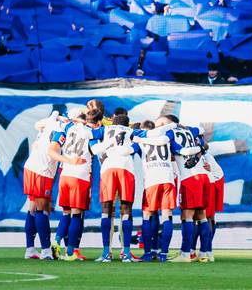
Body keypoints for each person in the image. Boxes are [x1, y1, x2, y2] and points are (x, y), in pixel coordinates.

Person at [48, 100, 105, 260]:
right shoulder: (92, 132)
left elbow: (53, 147)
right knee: (76, 214)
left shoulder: (68, 127)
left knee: (66, 213)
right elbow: (95, 149)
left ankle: (56, 241)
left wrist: (68, 160)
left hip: (65, 174)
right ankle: (71, 252)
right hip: (80, 176)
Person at [159, 114, 211, 262]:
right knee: (202, 215)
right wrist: (199, 148)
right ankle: (204, 254)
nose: (161, 126)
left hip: (190, 178)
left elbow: (176, 152)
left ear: (170, 123)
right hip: (204, 176)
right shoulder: (190, 130)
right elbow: (203, 137)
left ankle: (185, 253)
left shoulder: (169, 133)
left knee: (186, 216)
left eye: (163, 123)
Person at [90, 109, 139, 262]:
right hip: (126, 168)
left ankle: (106, 253)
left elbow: (91, 142)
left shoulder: (105, 129)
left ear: (113, 121)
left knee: (106, 209)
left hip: (108, 168)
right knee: (126, 209)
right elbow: (138, 146)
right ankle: (126, 253)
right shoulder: (132, 131)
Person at [22, 111, 66, 259]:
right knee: (41, 209)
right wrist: (68, 160)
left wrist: (55, 116)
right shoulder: (61, 129)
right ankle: (46, 250)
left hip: (32, 167)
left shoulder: (49, 124)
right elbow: (51, 151)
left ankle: (30, 249)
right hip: (42, 170)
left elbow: (37, 124)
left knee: (33, 208)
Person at [134, 119, 178, 262]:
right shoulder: (166, 139)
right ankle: (163, 254)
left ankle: (148, 253)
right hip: (168, 178)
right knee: (167, 216)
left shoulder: (141, 139)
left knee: (147, 215)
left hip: (152, 180)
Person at [201, 150, 225, 262]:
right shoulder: (206, 155)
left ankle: (204, 251)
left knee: (203, 216)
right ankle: (206, 251)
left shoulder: (204, 156)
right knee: (207, 217)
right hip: (215, 179)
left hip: (211, 181)